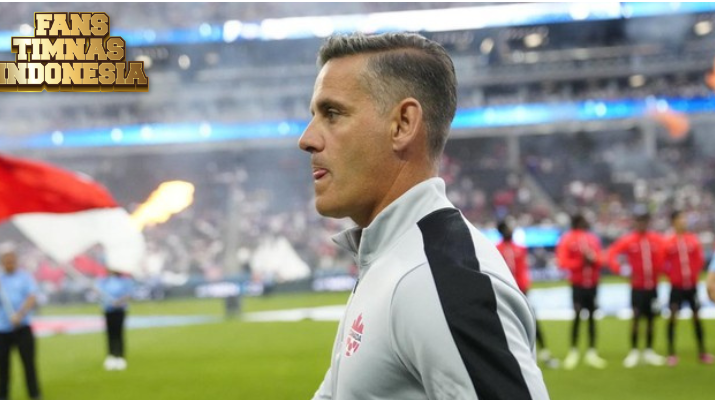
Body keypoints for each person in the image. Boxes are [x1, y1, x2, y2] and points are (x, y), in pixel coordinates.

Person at [299, 32, 549, 400]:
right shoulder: (395, 258)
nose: (306, 139)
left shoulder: (439, 279)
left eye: (332, 114)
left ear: (402, 124)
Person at [607, 208, 666, 368]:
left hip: (652, 287)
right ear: (636, 221)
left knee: (651, 319)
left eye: (644, 220)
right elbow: (611, 254)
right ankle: (634, 351)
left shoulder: (656, 239)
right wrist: (621, 270)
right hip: (637, 287)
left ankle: (649, 350)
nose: (642, 223)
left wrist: (663, 270)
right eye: (639, 220)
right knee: (636, 318)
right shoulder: (629, 240)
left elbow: (666, 256)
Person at [496, 220, 559, 369]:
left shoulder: (519, 248)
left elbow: (523, 269)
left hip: (521, 291)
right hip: (505, 291)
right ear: (502, 231)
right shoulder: (497, 249)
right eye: (508, 228)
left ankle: (543, 353)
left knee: (531, 321)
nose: (511, 230)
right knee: (506, 324)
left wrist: (525, 285)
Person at [555, 214, 608, 370]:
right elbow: (562, 263)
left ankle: (592, 351)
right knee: (577, 316)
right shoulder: (568, 239)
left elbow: (601, 260)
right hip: (578, 285)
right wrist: (581, 262)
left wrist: (593, 260)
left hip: (592, 284)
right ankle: (574, 351)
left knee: (592, 317)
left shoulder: (592, 239)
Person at [663, 210, 713, 366]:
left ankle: (702, 352)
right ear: (674, 222)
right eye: (680, 219)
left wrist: (693, 275)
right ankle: (671, 353)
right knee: (673, 317)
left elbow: (699, 260)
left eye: (684, 219)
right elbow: (663, 262)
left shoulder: (692, 239)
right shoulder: (668, 241)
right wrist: (673, 276)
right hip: (676, 287)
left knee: (697, 317)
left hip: (691, 286)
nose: (683, 222)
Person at [0, 242, 42, 400]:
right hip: (2, 329)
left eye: (12, 259)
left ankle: (34, 394)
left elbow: (32, 297)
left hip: (22, 328)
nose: (9, 262)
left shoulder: (24, 277)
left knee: (28, 363)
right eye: (6, 260)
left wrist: (20, 314)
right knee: (2, 366)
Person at [95, 270, 134, 371]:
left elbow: (129, 294)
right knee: (110, 334)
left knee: (119, 333)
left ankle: (120, 356)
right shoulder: (104, 281)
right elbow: (98, 292)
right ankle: (111, 356)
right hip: (108, 310)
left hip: (120, 309)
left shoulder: (125, 281)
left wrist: (118, 302)